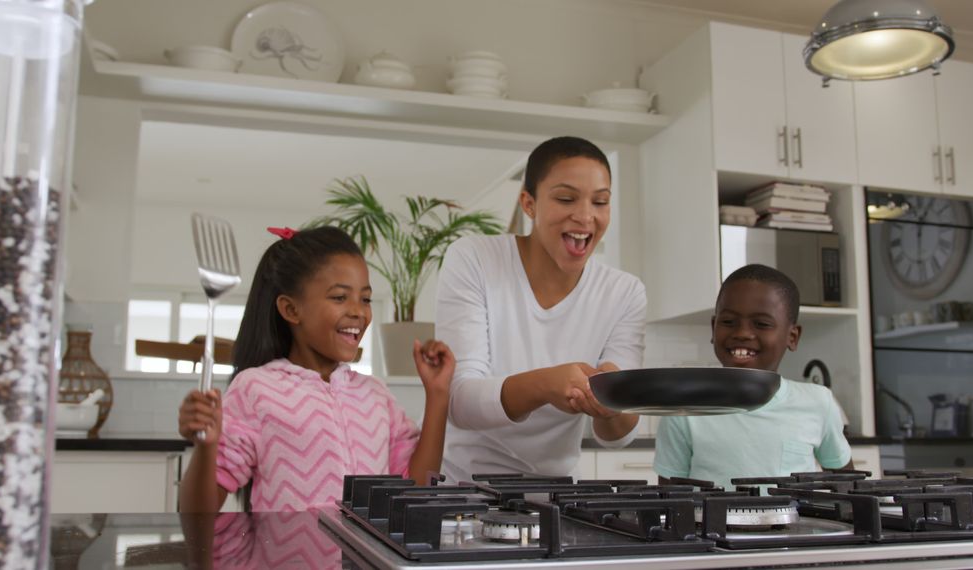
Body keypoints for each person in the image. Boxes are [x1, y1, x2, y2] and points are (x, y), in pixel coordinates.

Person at [177, 226, 454, 512]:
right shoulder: (257, 390)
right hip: (284, 557)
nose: (358, 311)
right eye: (339, 297)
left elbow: (415, 492)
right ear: (291, 310)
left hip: (367, 559)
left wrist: (438, 395)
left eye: (366, 299)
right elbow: (197, 511)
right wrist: (207, 448)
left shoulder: (376, 396)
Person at [436, 136, 646, 483]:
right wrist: (546, 384)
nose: (585, 216)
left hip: (558, 494)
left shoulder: (624, 292)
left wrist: (612, 401)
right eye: (566, 198)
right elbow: (460, 402)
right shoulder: (474, 258)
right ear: (529, 204)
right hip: (463, 488)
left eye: (601, 201)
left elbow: (619, 436)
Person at [653, 264, 852, 489]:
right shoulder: (683, 409)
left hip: (797, 525)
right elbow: (670, 499)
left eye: (762, 324)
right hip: (707, 525)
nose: (742, 333)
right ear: (713, 327)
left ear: (792, 336)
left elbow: (844, 484)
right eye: (728, 322)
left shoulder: (818, 402)